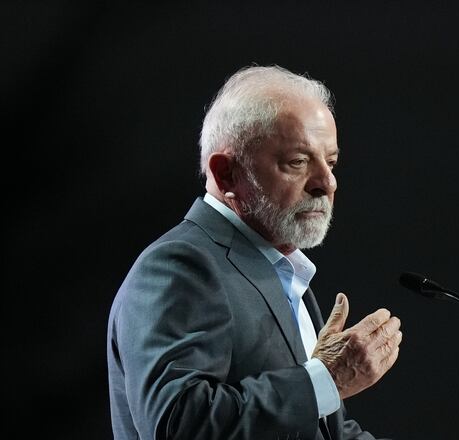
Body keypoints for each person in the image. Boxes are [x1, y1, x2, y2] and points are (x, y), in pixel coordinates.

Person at [107, 65, 402, 440]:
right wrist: (325, 379)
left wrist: (323, 385)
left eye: (331, 162)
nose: (327, 183)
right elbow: (178, 424)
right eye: (297, 162)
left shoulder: (280, 272)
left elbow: (325, 433)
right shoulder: (180, 266)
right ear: (227, 173)